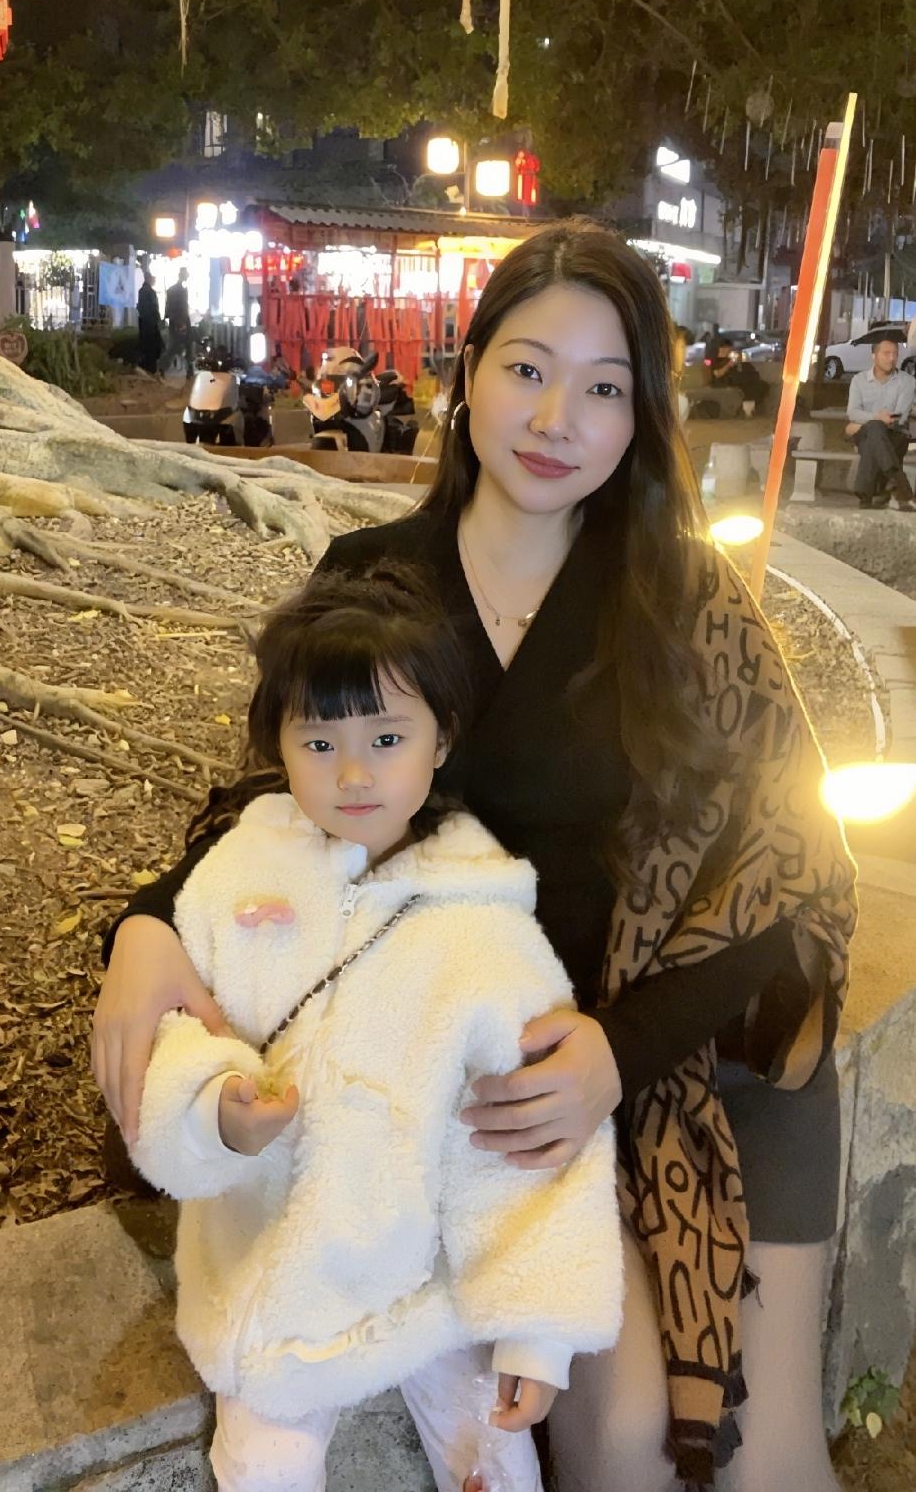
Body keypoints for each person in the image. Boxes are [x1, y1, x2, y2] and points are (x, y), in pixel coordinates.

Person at [94, 220, 857, 1492]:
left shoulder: (686, 604)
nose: (557, 419)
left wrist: (619, 1051)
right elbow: (282, 795)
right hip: (478, 1082)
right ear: (470, 371)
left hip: (685, 1051)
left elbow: (791, 870)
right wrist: (150, 920)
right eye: (527, 369)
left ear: (641, 417)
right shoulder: (377, 580)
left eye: (604, 388)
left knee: (767, 1459)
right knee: (620, 1433)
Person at [127, 566, 623, 1492]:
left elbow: (531, 1141)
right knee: (262, 1467)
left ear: (442, 741)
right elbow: (177, 1034)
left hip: (425, 1282)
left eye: (387, 738)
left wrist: (537, 1330)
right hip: (272, 1277)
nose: (353, 774)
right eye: (319, 742)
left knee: (494, 1461)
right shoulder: (234, 881)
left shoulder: (485, 929)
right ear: (278, 744)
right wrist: (211, 1111)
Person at [845, 336, 915, 511]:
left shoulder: (907, 381)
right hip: (866, 434)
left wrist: (865, 422)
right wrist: (877, 417)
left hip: (895, 434)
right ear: (874, 355)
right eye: (886, 353)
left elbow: (900, 417)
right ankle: (897, 483)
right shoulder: (859, 380)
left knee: (874, 434)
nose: (892, 358)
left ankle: (865, 494)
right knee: (874, 430)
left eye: (895, 354)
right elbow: (852, 412)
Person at [161, 267, 192, 374]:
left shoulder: (174, 289)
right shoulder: (180, 290)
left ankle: (189, 369)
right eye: (186, 274)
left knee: (180, 344)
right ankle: (163, 366)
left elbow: (168, 308)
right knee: (177, 345)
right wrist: (181, 323)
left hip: (177, 320)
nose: (187, 276)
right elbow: (178, 307)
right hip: (180, 321)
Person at [136, 267, 163, 376]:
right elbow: (154, 308)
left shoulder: (141, 291)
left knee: (145, 346)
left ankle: (145, 366)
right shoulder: (150, 292)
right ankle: (151, 368)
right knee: (153, 347)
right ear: (148, 279)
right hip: (151, 324)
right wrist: (158, 320)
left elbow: (140, 307)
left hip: (143, 322)